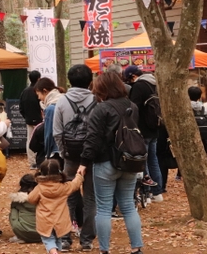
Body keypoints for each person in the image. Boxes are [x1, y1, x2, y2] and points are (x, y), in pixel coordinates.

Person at [78, 71, 144, 254]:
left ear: (101, 88)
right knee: (129, 206)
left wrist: (84, 162)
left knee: (104, 209)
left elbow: (93, 138)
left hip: (105, 163)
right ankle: (137, 248)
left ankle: (104, 250)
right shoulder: (132, 106)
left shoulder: (101, 108)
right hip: (129, 161)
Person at [53, 64, 96, 252]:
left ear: (70, 80)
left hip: (70, 156)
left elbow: (57, 132)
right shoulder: (97, 100)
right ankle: (86, 240)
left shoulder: (61, 102)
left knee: (69, 196)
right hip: (92, 157)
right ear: (90, 81)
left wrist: (64, 152)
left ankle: (65, 239)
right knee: (90, 198)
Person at [124, 65, 163, 202]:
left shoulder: (139, 86)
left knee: (143, 160)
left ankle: (146, 191)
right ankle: (157, 192)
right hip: (155, 128)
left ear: (133, 76)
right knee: (154, 159)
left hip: (143, 129)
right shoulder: (154, 84)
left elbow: (133, 108)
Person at [29, 158, 84, 254]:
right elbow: (75, 184)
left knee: (48, 240)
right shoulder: (64, 187)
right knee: (58, 239)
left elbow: (31, 199)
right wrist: (79, 175)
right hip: (60, 220)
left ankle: (54, 252)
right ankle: (56, 251)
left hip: (45, 220)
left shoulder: (39, 188)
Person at [35, 78, 61, 165]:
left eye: (38, 94)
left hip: (55, 150)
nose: (39, 98)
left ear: (45, 91)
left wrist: (47, 153)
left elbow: (49, 134)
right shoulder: (63, 100)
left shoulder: (50, 109)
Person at [20, 71, 43, 170]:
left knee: (30, 140)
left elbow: (21, 107)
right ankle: (41, 160)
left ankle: (32, 162)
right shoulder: (40, 91)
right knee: (41, 139)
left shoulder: (25, 91)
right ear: (38, 78)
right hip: (40, 120)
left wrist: (26, 117)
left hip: (29, 120)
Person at [8, 174, 40, 244]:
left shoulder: (17, 199)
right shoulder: (42, 196)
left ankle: (20, 235)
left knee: (14, 209)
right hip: (42, 233)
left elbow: (13, 212)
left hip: (22, 232)